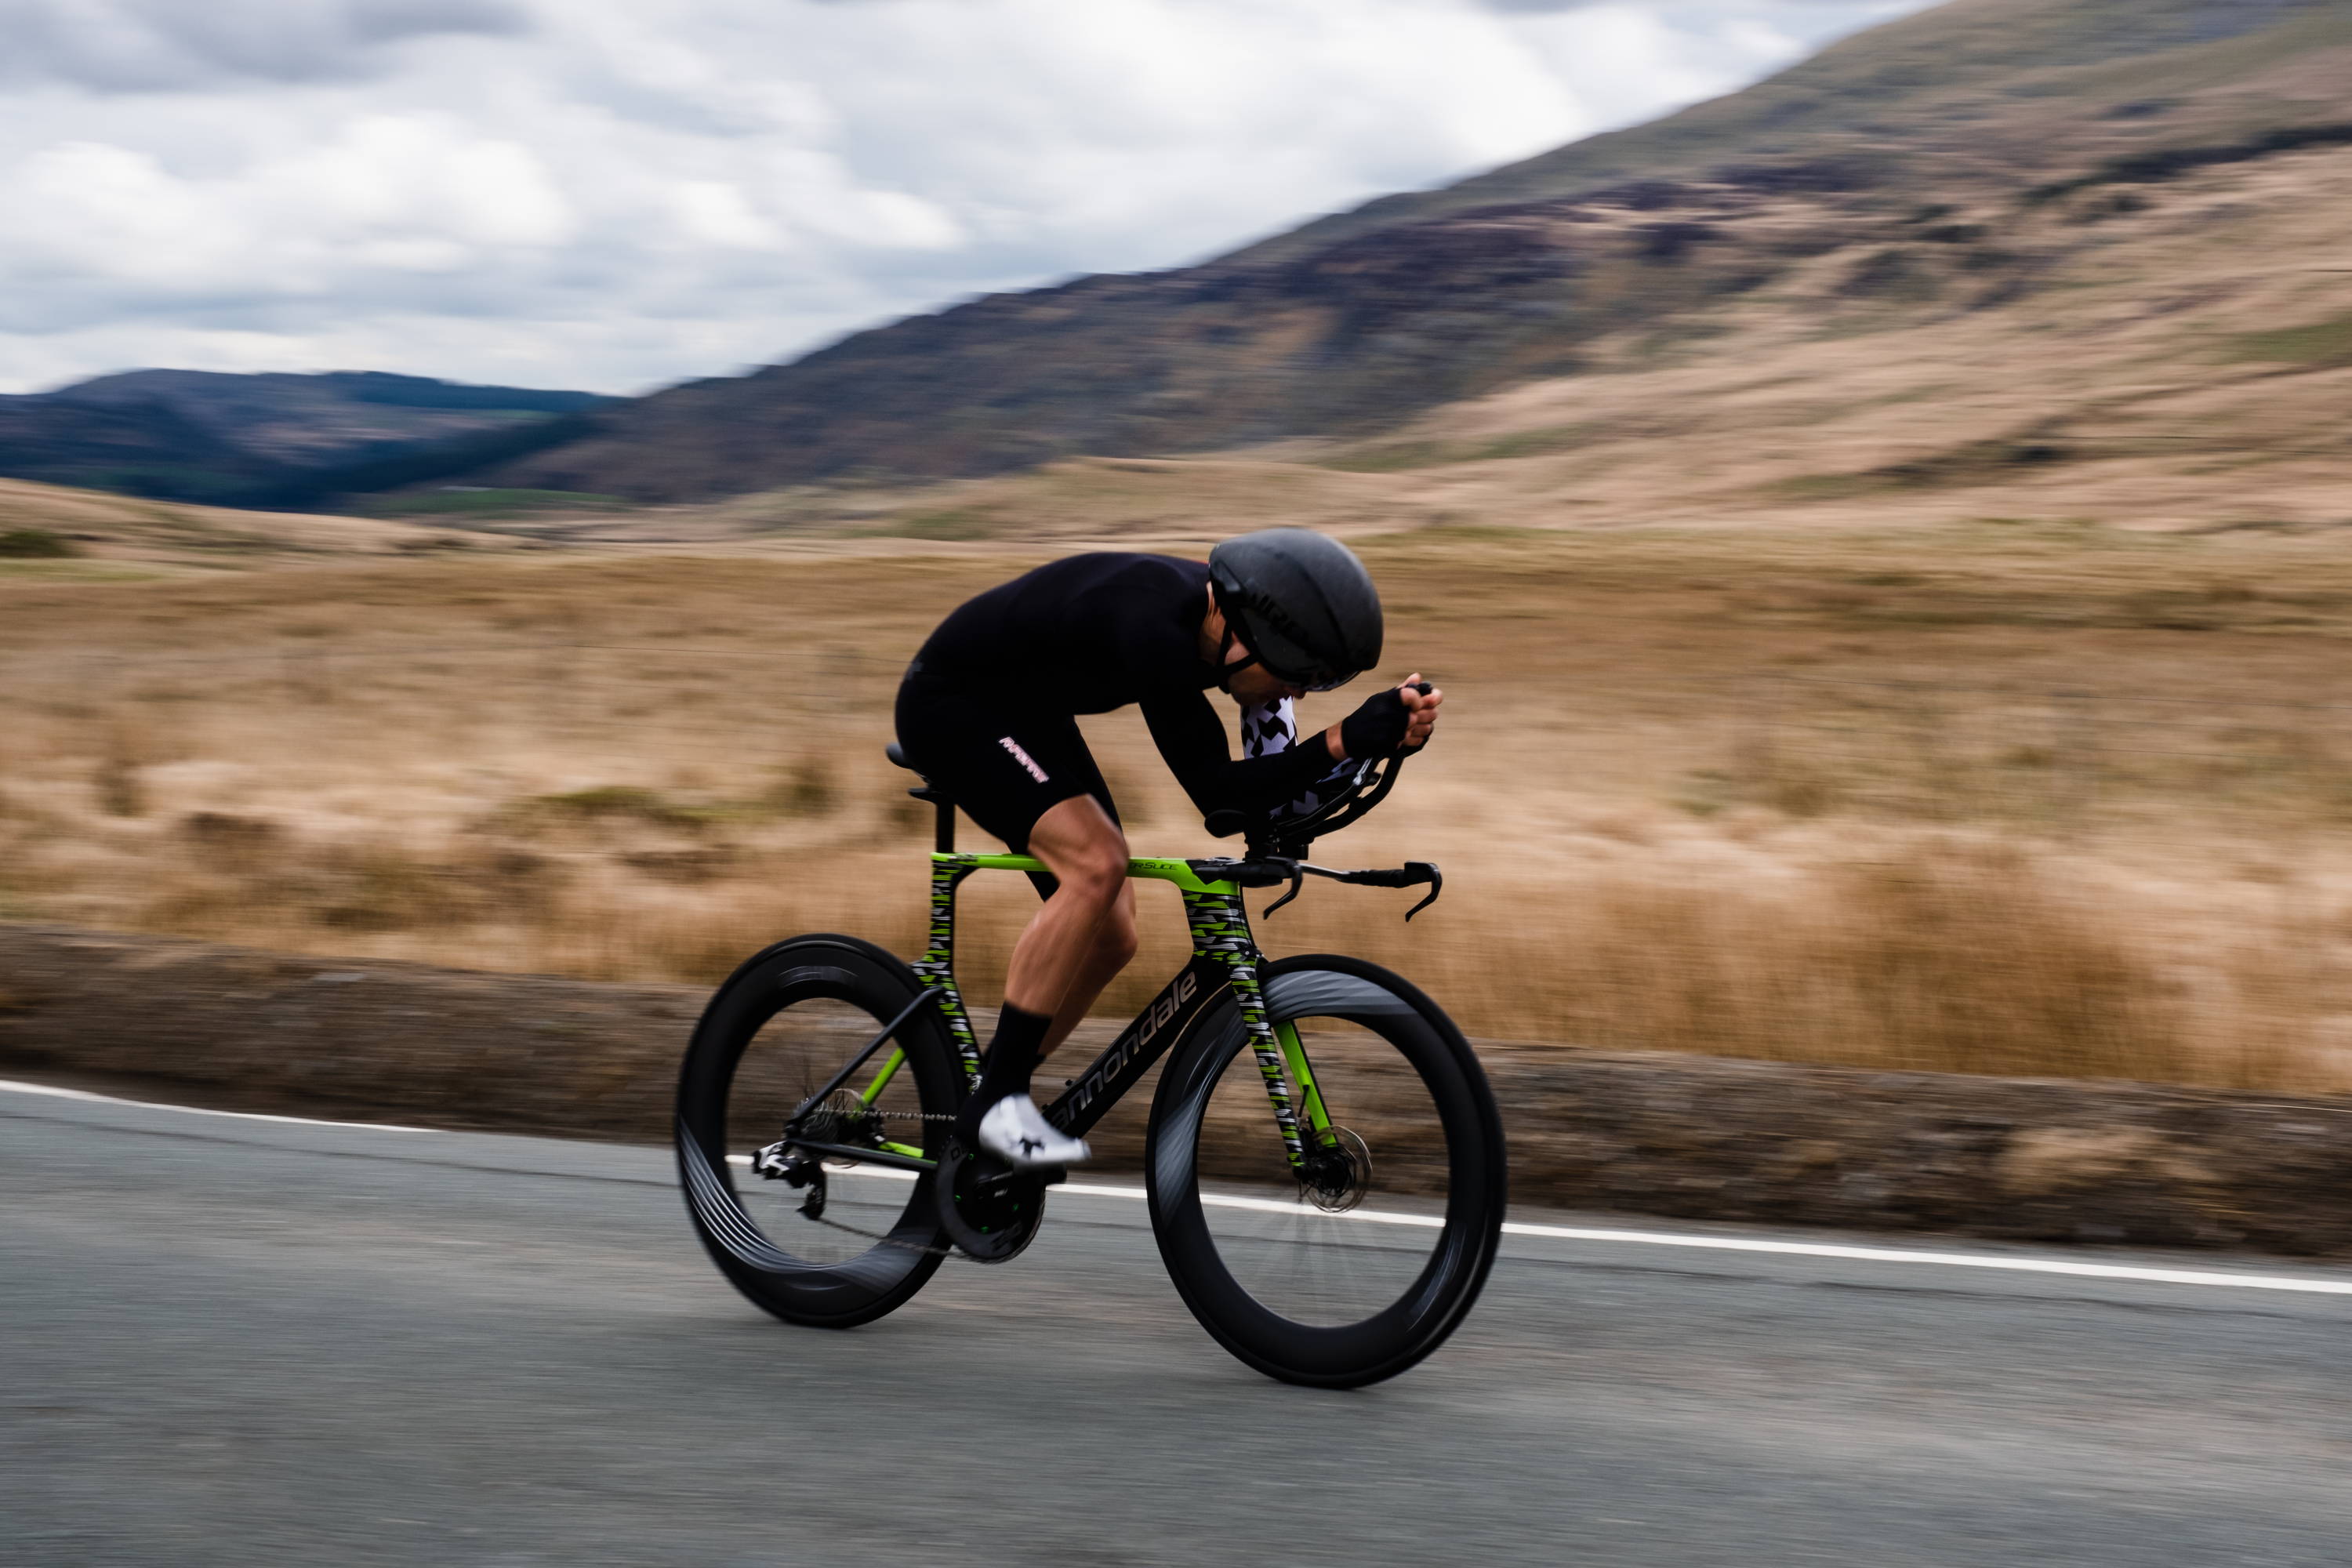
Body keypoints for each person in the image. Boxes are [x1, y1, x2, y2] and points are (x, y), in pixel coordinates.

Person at [893, 528, 1441, 1169]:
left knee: (1112, 933)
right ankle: (999, 1104)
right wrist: (1344, 740)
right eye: (1294, 677)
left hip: (1025, 708)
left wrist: (1379, 743)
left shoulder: (1237, 641)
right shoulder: (1155, 626)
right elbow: (1218, 798)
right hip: (954, 703)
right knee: (1097, 867)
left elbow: (1270, 799)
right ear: (1245, 639)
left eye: (1312, 686)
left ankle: (988, 1093)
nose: (1293, 696)